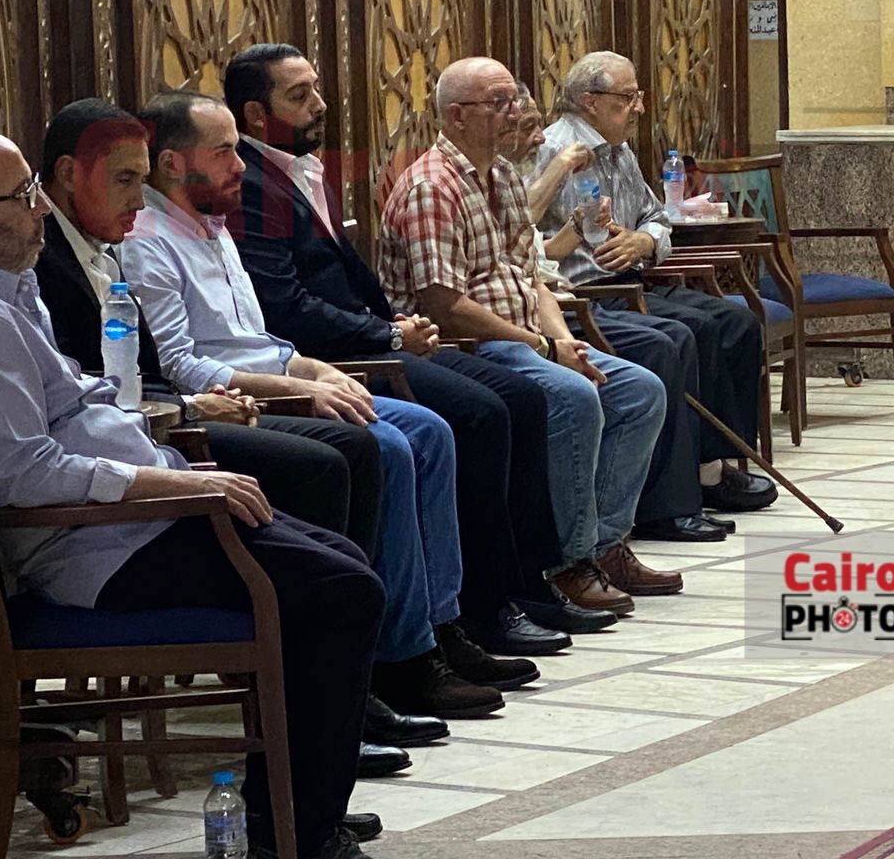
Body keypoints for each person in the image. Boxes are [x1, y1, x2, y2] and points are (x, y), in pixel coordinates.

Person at [0, 117, 380, 859]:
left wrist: (178, 470)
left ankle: (293, 810)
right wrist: (173, 482)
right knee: (341, 591)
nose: (39, 206)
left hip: (134, 521)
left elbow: (79, 404)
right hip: (96, 549)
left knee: (340, 563)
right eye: (22, 195)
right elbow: (25, 475)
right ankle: (295, 833)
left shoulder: (5, 293)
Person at [31, 98, 441, 769]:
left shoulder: (106, 246)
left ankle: (356, 680)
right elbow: (93, 402)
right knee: (329, 462)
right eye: (125, 180)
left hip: (160, 429)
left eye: (140, 180)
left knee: (368, 452)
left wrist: (260, 386)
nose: (137, 199)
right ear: (69, 174)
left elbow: (132, 376)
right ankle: (323, 698)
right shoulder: (46, 267)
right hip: (129, 472)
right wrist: (194, 408)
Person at [121, 91, 537, 720]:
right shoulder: (148, 242)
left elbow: (261, 340)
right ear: (174, 163)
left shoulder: (215, 227)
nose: (240, 165)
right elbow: (182, 366)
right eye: (224, 151)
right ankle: (393, 657)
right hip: (235, 402)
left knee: (430, 431)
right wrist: (303, 389)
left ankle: (437, 626)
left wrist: (316, 370)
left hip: (281, 378)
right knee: (385, 445)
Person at [223, 43, 615, 650]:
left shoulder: (298, 169)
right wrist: (386, 333)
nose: (321, 104)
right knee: (485, 410)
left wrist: (395, 326)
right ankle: (475, 608)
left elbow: (522, 272)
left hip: (374, 338)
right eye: (300, 96)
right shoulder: (251, 185)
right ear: (255, 114)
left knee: (517, 397)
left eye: (317, 88)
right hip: (327, 356)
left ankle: (524, 584)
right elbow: (286, 306)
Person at [379, 56, 680, 615]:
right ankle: (568, 562)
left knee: (640, 390)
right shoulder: (430, 186)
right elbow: (445, 305)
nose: (513, 113)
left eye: (513, 101)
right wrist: (542, 348)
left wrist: (564, 343)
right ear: (456, 116)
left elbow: (531, 277)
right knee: (574, 396)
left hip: (526, 338)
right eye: (498, 103)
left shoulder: (502, 177)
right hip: (464, 347)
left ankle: (605, 545)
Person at [535, 51, 777, 515]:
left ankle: (722, 462)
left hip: (635, 280)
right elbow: (523, 234)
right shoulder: (554, 151)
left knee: (738, 322)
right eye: (628, 98)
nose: (639, 108)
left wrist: (643, 241)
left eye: (639, 96)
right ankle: (692, 478)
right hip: (590, 293)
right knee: (691, 331)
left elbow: (657, 216)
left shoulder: (620, 151)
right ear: (589, 101)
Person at [503, 85, 728, 543]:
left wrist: (616, 232)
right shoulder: (541, 159)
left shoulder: (616, 152)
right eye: (528, 128)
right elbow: (522, 236)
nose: (539, 137)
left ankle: (707, 472)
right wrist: (555, 341)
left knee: (719, 323)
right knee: (666, 342)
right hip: (565, 303)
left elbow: (543, 257)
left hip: (570, 298)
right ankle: (663, 506)